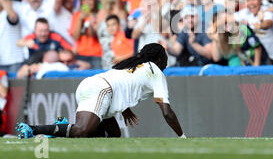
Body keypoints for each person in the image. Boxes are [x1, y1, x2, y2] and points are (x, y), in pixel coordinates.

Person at [16, 43, 186, 138]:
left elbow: (122, 82)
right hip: (102, 90)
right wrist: (182, 137)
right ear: (158, 59)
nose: (166, 63)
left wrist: (125, 108)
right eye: (165, 58)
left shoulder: (134, 64)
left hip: (93, 86)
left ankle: (62, 128)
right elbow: (167, 112)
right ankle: (33, 129)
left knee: (113, 136)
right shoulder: (155, 71)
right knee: (82, 131)